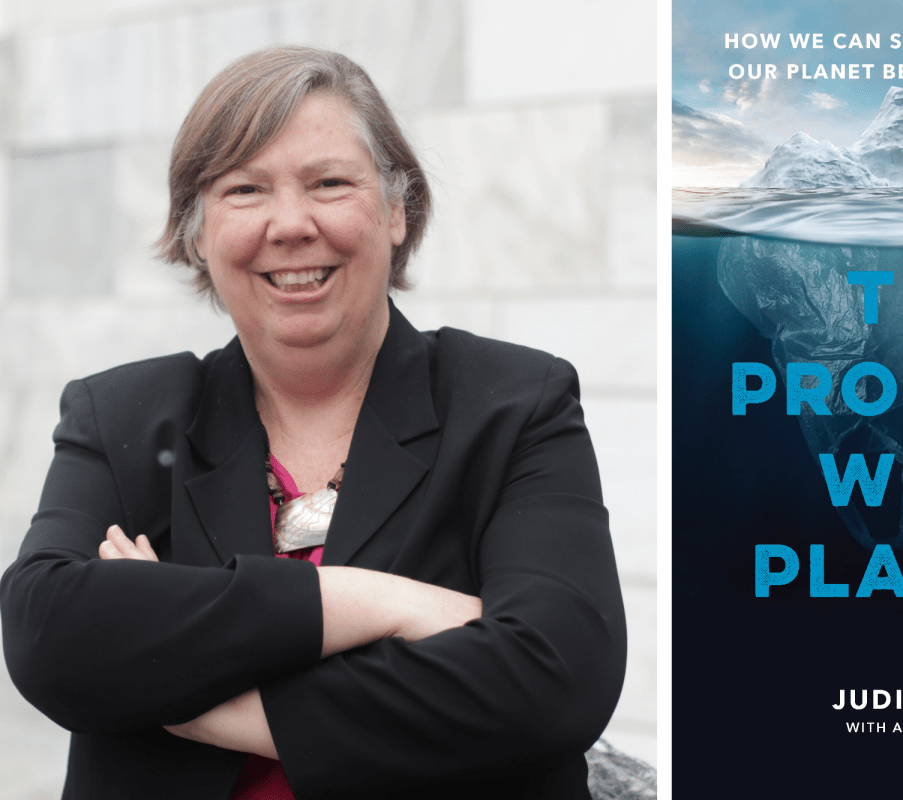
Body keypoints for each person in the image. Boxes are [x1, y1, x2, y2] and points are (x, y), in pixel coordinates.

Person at [0, 46, 626, 800]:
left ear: (398, 210)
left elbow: (558, 678)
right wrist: (378, 603)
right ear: (197, 232)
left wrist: (214, 702)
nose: (290, 224)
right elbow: (48, 637)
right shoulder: (125, 415)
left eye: (329, 183)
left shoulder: (514, 403)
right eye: (244, 189)